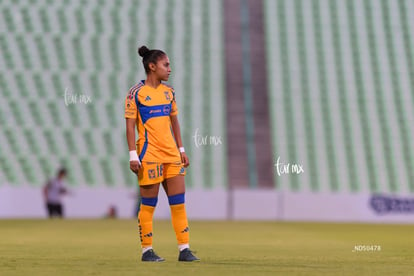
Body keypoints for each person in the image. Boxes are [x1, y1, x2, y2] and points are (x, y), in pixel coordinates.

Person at [125, 45, 199, 262]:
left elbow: (174, 121)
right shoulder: (135, 93)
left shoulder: (169, 92)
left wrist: (181, 149)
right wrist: (132, 155)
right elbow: (130, 126)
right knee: (148, 205)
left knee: (178, 203)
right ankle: (147, 251)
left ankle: (184, 249)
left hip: (172, 155)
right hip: (149, 156)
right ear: (152, 66)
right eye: (166, 65)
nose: (169, 69)